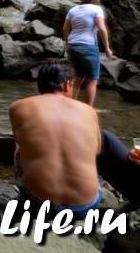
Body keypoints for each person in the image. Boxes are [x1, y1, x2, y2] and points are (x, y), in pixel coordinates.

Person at [10, 63, 140, 219]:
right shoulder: (87, 110)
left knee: (20, 152)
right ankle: (134, 195)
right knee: (104, 137)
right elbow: (97, 151)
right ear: (67, 84)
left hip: (41, 206)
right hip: (85, 207)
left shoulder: (18, 107)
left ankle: (25, 200)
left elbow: (20, 140)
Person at [62, 0, 115, 106]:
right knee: (92, 80)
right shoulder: (96, 9)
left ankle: (68, 106)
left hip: (72, 45)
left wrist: (67, 43)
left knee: (77, 77)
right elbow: (102, 29)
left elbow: (65, 29)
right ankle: (88, 110)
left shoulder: (73, 10)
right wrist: (107, 48)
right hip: (88, 46)